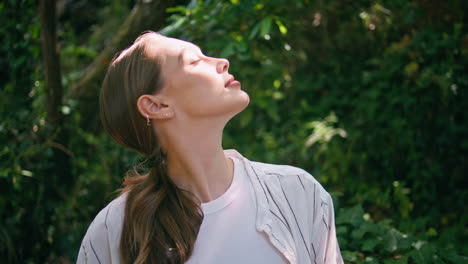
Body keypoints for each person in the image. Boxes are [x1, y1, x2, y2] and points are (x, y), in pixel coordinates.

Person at [77, 31, 343, 264]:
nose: (222, 62)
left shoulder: (298, 193)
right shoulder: (112, 231)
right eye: (194, 61)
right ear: (156, 106)